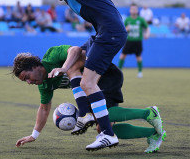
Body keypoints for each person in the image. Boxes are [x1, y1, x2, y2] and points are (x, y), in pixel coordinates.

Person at [3, 0, 128, 151]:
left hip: (110, 32)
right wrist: (34, 135)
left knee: (88, 84)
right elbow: (76, 50)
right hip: (105, 32)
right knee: (75, 63)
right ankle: (85, 114)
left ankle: (108, 135)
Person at [12, 45, 165, 153]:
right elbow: (44, 108)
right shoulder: (45, 85)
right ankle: (153, 133)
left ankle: (148, 113)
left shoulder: (52, 56)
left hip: (106, 74)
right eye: (25, 81)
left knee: (105, 115)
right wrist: (34, 135)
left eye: (27, 77)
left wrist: (64, 67)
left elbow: (76, 50)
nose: (29, 82)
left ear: (35, 66)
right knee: (104, 128)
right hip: (94, 88)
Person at [118, 4, 150, 78]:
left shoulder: (141, 19)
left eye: (135, 9)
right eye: (132, 9)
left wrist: (147, 34)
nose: (133, 10)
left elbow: (147, 28)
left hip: (138, 41)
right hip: (129, 41)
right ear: (130, 10)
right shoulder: (127, 20)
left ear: (137, 10)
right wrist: (126, 29)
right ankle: (119, 71)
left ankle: (140, 72)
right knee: (122, 55)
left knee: (138, 56)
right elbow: (123, 31)